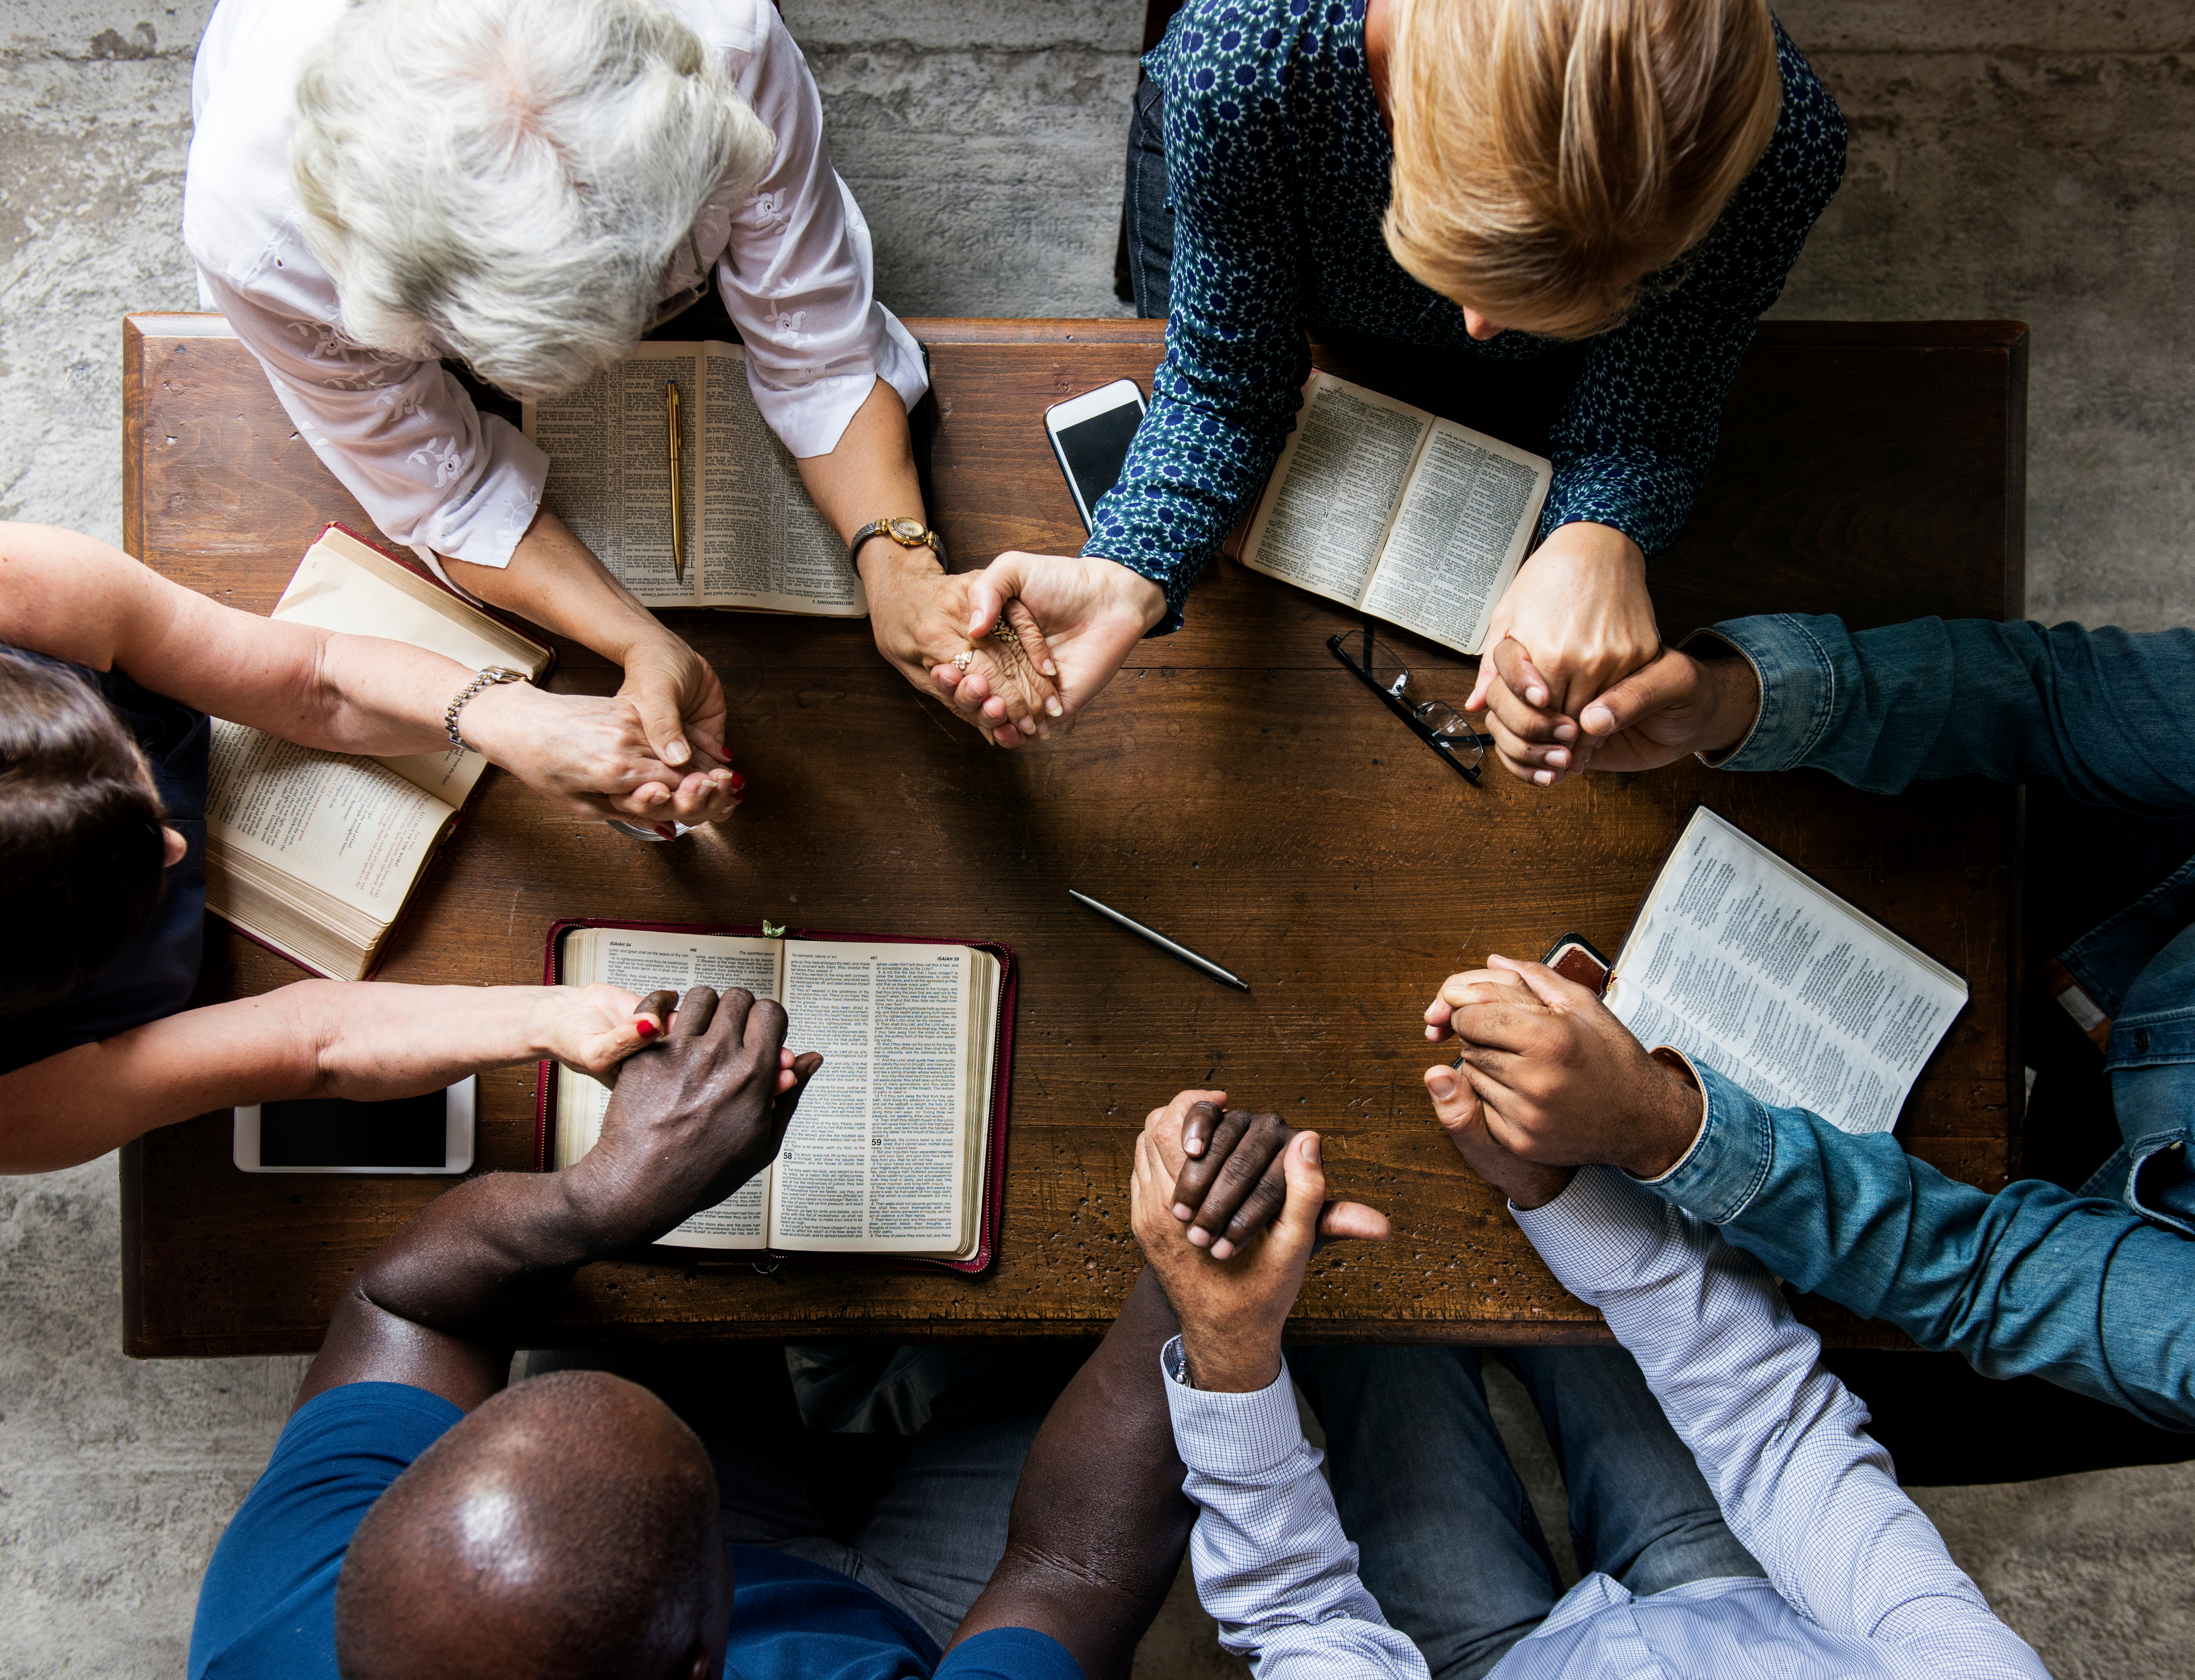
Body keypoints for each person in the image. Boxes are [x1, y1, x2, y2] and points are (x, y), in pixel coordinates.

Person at [188, 983, 1201, 1679]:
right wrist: (1191, 1273)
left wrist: (600, 1200)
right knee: (1071, 1345)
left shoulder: (281, 1619)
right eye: (709, 1531)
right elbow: (1070, 1572)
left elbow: (402, 1309)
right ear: (704, 1664)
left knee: (633, 1292)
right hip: (937, 1630)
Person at [941, 0, 1846, 758]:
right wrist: (1127, 568)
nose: (1479, 329)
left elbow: (1659, 395)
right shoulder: (1244, 61)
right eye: (1468, 258)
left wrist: (1602, 533)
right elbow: (1226, 379)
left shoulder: (1783, 147)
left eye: (1600, 289)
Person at [185, 0, 1059, 757]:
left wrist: (902, 569)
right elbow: (448, 492)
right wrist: (641, 643)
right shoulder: (256, 238)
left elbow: (821, 347)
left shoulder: (727, 37)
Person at [1431, 609, 2195, 1428]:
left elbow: (1985, 1275)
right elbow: (2053, 693)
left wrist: (1664, 1127)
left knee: (1878, 1392)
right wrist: (1736, 697)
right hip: (2156, 901)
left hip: (2139, 1270)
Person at [1135, 1091, 2049, 1678]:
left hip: (1484, 1665)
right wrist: (1559, 1189)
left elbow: (1302, 1617)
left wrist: (1232, 1347)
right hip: (1731, 1596)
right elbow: (1782, 1439)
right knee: (1576, 1265)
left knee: (1361, 1304)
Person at [0, 521, 730, 1173]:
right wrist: (547, 1021)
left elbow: (314, 680)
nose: (174, 847)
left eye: (133, 773)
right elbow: (314, 1047)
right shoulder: (19, 1110)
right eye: (113, 892)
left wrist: (509, 718)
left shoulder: (26, 592)